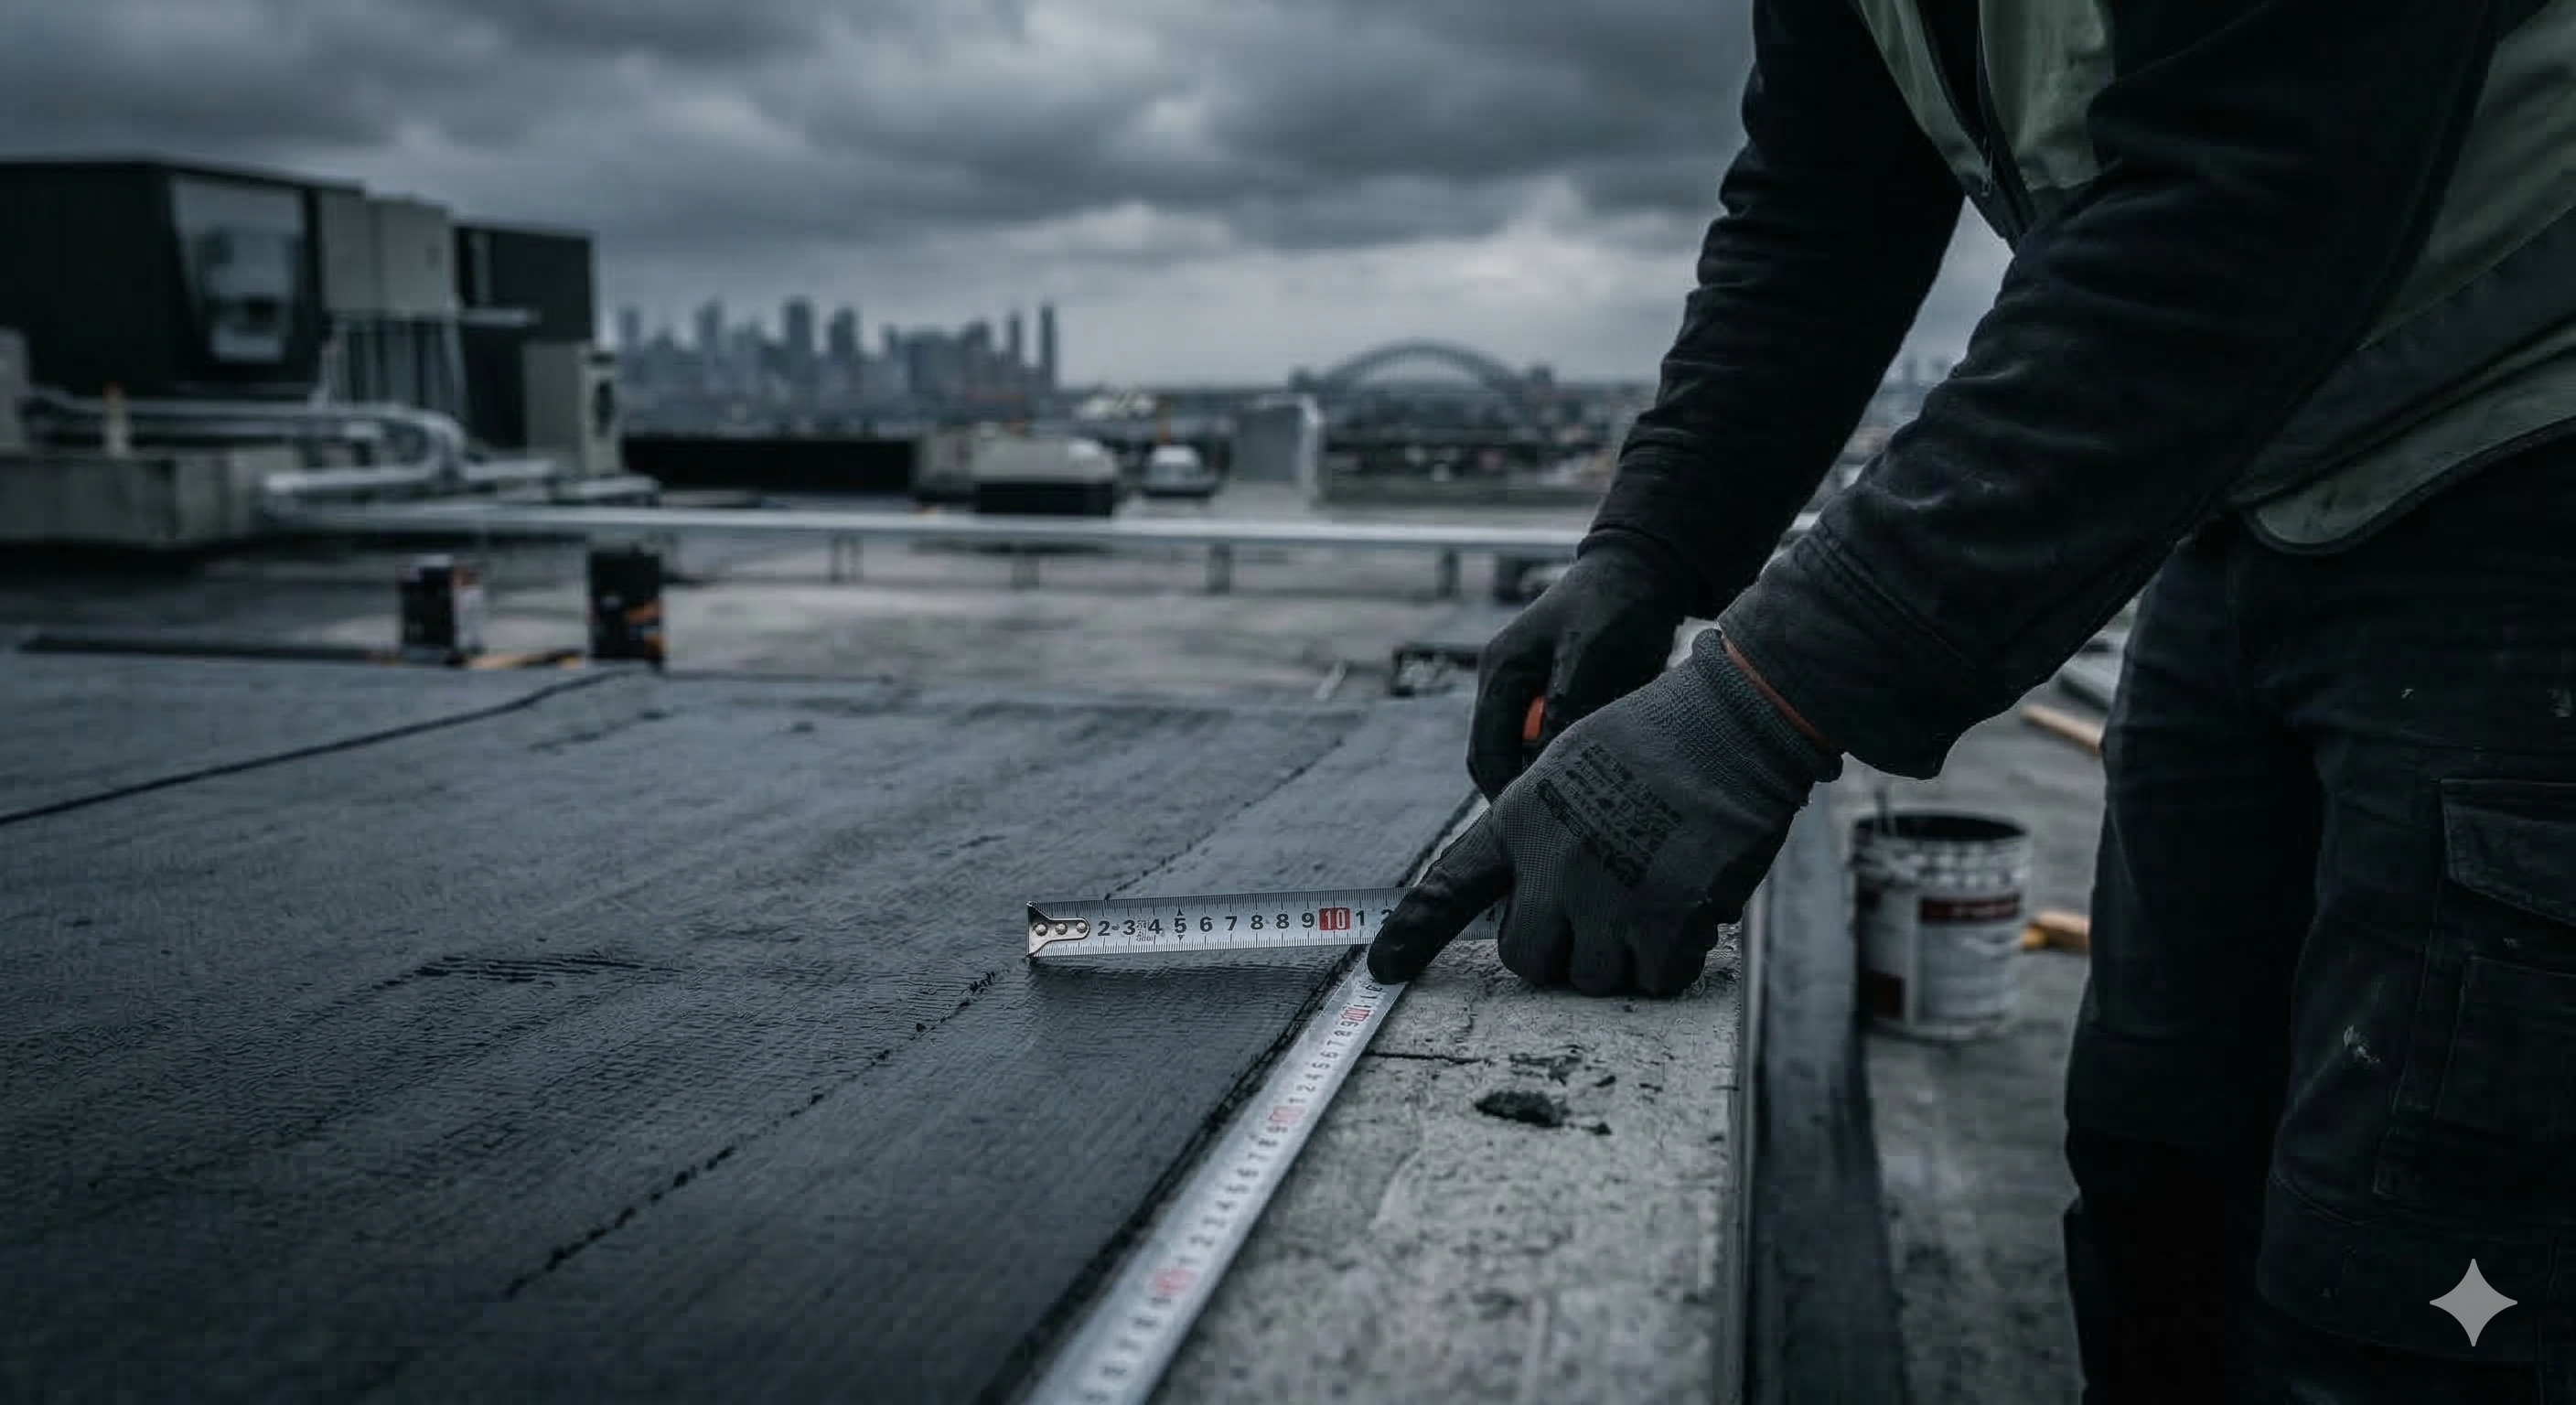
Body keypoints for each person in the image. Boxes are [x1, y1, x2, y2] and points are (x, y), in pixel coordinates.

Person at [1363, 0, 2576, 1399]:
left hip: (2528, 487)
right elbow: (1823, 210)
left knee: (2410, 1297)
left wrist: (1757, 703)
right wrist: (1650, 549)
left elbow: (2255, 187)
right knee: (2160, 1181)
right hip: (2251, 489)